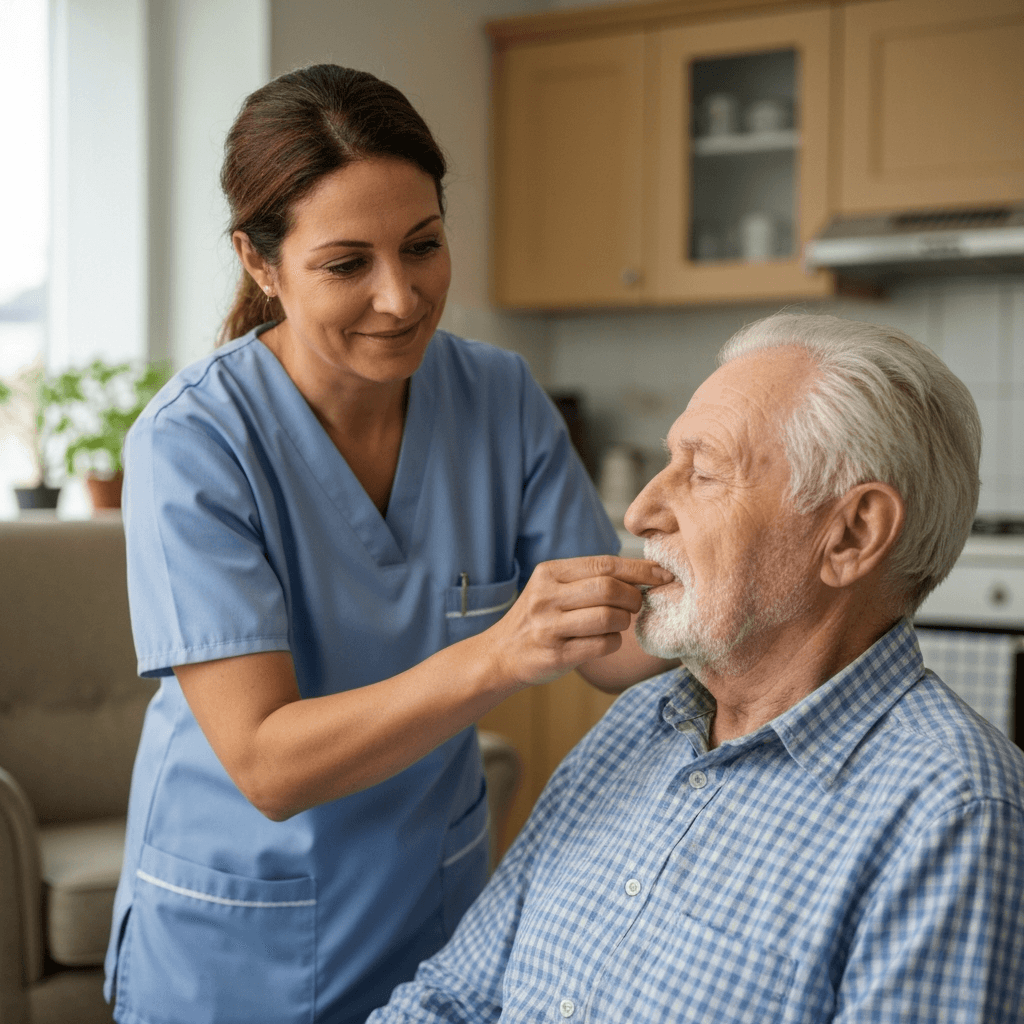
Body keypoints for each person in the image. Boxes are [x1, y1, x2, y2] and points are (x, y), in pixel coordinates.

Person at [103, 65, 675, 1024]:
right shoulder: (192, 444)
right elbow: (268, 765)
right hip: (238, 944)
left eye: (424, 247)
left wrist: (751, 603)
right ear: (260, 261)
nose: (401, 298)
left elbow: (611, 641)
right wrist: (500, 652)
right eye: (346, 264)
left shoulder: (498, 398)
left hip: (436, 914)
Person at [369, 312, 1024, 1024]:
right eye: (668, 464)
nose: (644, 509)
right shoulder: (635, 726)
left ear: (851, 534)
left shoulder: (955, 815)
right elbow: (452, 1000)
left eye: (704, 472)